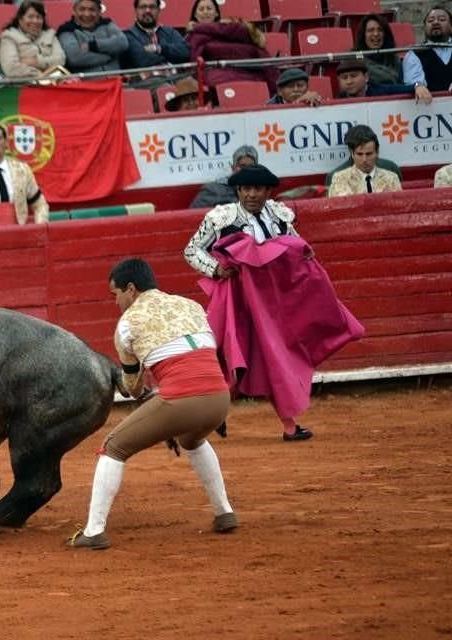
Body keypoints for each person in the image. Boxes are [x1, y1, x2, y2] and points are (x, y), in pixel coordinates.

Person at [66, 258, 236, 550]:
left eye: (115, 294)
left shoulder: (128, 323)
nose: (116, 302)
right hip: (219, 397)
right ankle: (225, 513)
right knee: (192, 440)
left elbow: (132, 386)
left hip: (182, 398)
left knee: (113, 447)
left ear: (130, 289)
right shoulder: (190, 305)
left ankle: (94, 532)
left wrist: (147, 392)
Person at [184, 164, 363, 441]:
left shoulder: (280, 216)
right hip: (235, 300)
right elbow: (192, 250)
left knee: (271, 358)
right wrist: (217, 270)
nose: (251, 194)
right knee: (225, 356)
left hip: (270, 304)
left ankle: (288, 426)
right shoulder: (220, 218)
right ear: (238, 191)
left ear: (268, 192)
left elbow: (296, 248)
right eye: (245, 189)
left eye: (257, 189)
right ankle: (214, 414)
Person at [185, 0, 277, 91]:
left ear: (216, 13)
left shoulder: (230, 27)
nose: (205, 12)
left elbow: (243, 35)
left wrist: (197, 27)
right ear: (195, 15)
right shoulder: (193, 37)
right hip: (218, 76)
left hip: (247, 71)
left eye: (209, 8)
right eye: (201, 9)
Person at [120, 0, 190, 79]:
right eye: (143, 7)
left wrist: (159, 49)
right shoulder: (128, 35)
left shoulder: (170, 32)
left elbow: (185, 52)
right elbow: (142, 60)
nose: (147, 10)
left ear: (159, 10)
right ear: (136, 11)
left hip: (177, 80)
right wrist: (172, 56)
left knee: (193, 85)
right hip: (145, 84)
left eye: (152, 7)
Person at [0, 0, 67, 79]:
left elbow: (61, 60)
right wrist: (37, 74)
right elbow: (10, 67)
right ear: (20, 19)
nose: (35, 21)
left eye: (39, 17)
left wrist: (36, 61)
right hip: (22, 85)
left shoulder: (50, 34)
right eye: (30, 17)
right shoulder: (9, 36)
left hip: (51, 83)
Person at [56, 0, 128, 74]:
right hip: (88, 84)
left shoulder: (107, 24)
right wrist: (110, 55)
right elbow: (75, 58)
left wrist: (93, 45)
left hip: (116, 81)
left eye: (92, 9)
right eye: (82, 9)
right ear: (74, 11)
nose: (87, 14)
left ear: (99, 12)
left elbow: (122, 42)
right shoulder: (66, 30)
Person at [328, 125, 402, 197]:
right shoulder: (340, 178)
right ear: (352, 154)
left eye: (369, 154)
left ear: (377, 152)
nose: (364, 160)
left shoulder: (392, 178)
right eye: (359, 154)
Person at [401, 6, 452, 92]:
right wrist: (418, 86)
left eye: (442, 19)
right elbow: (415, 84)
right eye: (430, 20)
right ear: (424, 27)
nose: (435, 22)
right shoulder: (415, 53)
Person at [189, 145, 258, 209]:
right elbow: (193, 216)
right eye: (242, 166)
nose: (246, 170)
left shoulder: (260, 189)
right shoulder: (213, 189)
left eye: (251, 167)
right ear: (233, 168)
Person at [335, 58, 431, 103]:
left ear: (366, 77)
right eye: (344, 78)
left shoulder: (381, 90)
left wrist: (418, 85)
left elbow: (407, 88)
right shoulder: (337, 100)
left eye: (353, 76)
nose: (349, 81)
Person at [353, 14, 402, 85]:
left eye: (380, 30)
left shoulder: (394, 58)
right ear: (363, 35)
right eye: (370, 30)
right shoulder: (355, 58)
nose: (376, 34)